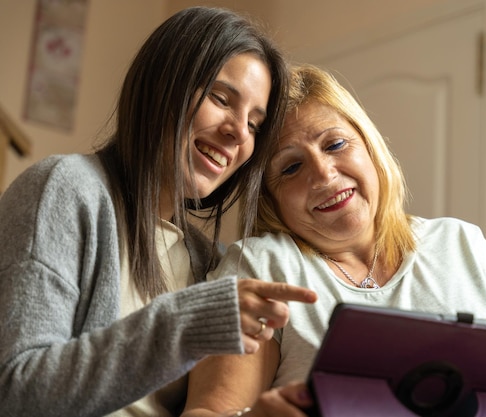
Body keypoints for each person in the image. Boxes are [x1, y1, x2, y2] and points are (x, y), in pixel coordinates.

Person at [181, 63, 486, 417]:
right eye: (291, 167)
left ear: (369, 146)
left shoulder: (461, 241)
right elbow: (210, 412)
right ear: (270, 198)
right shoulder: (261, 266)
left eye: (335, 145)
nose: (324, 174)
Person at [0, 7, 317, 417]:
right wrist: (186, 324)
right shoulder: (66, 189)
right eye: (221, 99)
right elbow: (13, 389)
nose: (239, 132)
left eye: (255, 124)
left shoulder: (208, 262)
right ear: (162, 87)